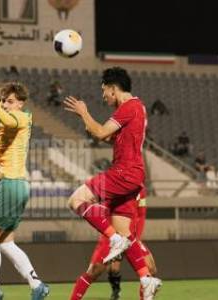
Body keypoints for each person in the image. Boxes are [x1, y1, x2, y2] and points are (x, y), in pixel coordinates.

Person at [64, 67, 161, 299]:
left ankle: (114, 240)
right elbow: (108, 137)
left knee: (75, 199)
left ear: (113, 88)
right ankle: (146, 279)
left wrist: (83, 113)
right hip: (133, 177)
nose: (103, 96)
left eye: (104, 90)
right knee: (126, 233)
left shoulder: (129, 107)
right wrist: (91, 125)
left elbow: (99, 132)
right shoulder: (137, 108)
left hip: (123, 173)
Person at [0, 71, 49, 300]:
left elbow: (7, 119)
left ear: (21, 103)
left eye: (10, 101)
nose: (5, 104)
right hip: (18, 184)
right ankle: (36, 285)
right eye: (4, 100)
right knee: (5, 240)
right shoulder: (16, 120)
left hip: (11, 183)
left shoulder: (21, 117)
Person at [69, 189, 161, 300]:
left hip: (131, 237)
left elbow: (140, 215)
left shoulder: (140, 189)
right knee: (94, 271)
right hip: (112, 236)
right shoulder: (113, 184)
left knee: (151, 269)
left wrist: (137, 238)